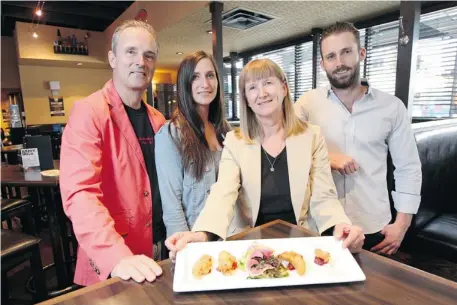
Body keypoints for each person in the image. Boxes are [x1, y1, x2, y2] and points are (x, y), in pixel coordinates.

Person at [165, 58, 364, 258]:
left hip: (301, 245)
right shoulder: (235, 141)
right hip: (249, 247)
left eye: (268, 83)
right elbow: (223, 194)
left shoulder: (311, 136)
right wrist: (202, 233)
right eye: (252, 88)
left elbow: (324, 196)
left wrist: (340, 225)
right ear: (247, 100)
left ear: (284, 88)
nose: (262, 93)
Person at [294, 22, 422, 255]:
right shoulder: (306, 104)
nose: (339, 62)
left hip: (373, 226)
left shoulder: (391, 108)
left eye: (346, 52)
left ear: (361, 53)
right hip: (321, 225)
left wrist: (401, 225)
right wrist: (327, 158)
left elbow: (408, 168)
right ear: (322, 64)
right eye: (331, 56)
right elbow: (284, 148)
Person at [60, 20, 165, 286]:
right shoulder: (89, 112)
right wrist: (116, 257)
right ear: (112, 58)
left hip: (159, 251)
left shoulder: (158, 120)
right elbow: (80, 193)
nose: (140, 61)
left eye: (148, 55)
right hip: (115, 261)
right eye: (131, 51)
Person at [155, 51, 231, 237]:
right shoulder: (171, 134)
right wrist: (186, 249)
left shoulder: (224, 130)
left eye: (210, 75)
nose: (205, 84)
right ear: (184, 84)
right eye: (195, 77)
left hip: (228, 235)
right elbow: (172, 206)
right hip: (194, 238)